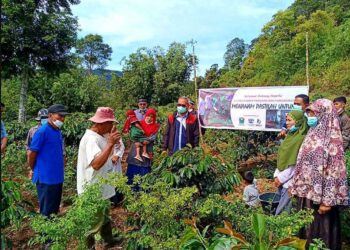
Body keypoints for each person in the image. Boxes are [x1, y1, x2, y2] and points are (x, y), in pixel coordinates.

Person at [290, 99, 348, 249]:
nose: (310, 117)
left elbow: (335, 172)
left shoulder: (333, 140)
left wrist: (327, 202)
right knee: (306, 233)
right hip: (307, 195)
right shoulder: (313, 133)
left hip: (321, 201)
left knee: (321, 235)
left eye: (313, 113)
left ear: (325, 115)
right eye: (309, 113)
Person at [76, 107, 121, 249]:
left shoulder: (100, 136)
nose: (113, 126)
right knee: (92, 221)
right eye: (111, 124)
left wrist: (112, 142)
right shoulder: (91, 139)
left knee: (105, 216)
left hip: (101, 185)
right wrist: (110, 144)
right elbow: (96, 164)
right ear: (102, 123)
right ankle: (89, 247)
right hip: (93, 187)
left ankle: (108, 239)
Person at [27, 104, 69, 217]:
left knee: (54, 209)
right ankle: (45, 234)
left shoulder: (57, 131)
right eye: (60, 116)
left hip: (57, 177)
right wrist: (34, 169)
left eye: (64, 116)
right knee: (46, 211)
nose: (62, 119)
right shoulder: (42, 132)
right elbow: (31, 154)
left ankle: (52, 232)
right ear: (50, 115)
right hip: (46, 178)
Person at [274, 110, 308, 215]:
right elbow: (282, 158)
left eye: (289, 120)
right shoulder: (290, 136)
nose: (287, 123)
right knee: (279, 208)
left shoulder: (301, 139)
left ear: (298, 122)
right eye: (286, 120)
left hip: (289, 182)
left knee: (283, 213)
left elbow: (295, 163)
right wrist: (276, 175)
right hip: (280, 179)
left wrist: (280, 178)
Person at [126, 109, 159, 191]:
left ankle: (143, 191)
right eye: (148, 116)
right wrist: (135, 141)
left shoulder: (156, 127)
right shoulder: (139, 123)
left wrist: (145, 140)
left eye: (152, 116)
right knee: (133, 169)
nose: (149, 118)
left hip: (147, 150)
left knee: (144, 170)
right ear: (145, 116)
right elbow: (132, 133)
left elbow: (152, 138)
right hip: (135, 150)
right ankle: (132, 191)